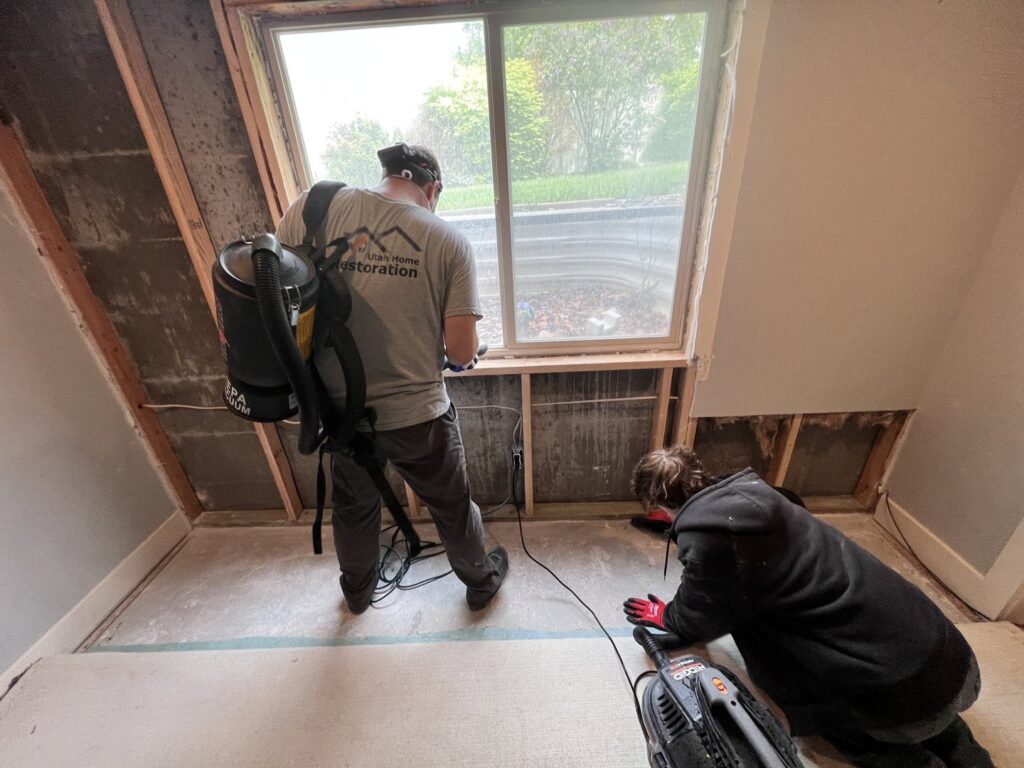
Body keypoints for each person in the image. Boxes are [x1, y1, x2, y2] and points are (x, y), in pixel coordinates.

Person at [623, 445, 993, 768]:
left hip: (894, 697)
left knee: (855, 732)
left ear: (657, 507)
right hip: (946, 658)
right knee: (943, 725)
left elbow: (701, 613)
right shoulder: (764, 496)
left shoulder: (712, 544)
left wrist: (668, 616)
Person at [275, 143, 507, 614]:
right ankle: (480, 582)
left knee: (356, 507)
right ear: (433, 188)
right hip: (416, 415)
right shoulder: (447, 241)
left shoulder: (312, 207)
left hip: (338, 414)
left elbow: (281, 299)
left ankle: (357, 593)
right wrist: (461, 356)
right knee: (451, 506)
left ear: (384, 173)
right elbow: (460, 351)